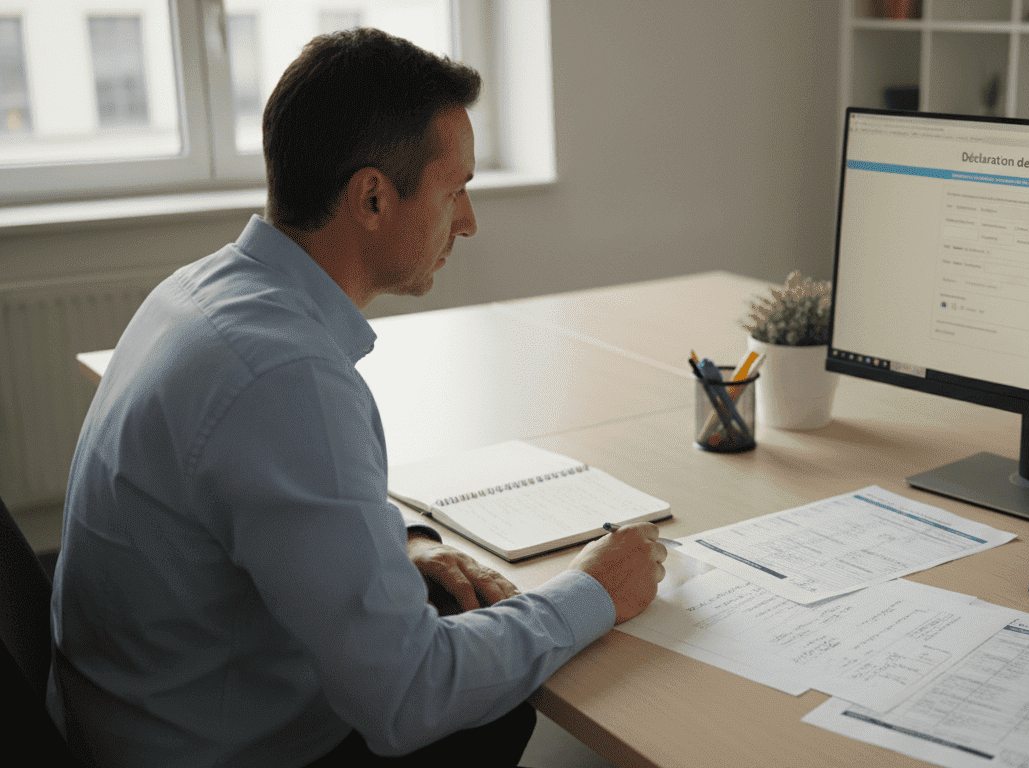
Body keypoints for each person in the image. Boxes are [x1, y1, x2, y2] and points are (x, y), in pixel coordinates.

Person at [47, 28, 667, 768]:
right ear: (372, 197)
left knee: (467, 626)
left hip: (133, 711)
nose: (467, 221)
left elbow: (268, 492)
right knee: (496, 710)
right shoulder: (285, 377)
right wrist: (595, 589)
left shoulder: (203, 290)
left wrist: (399, 542)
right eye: (455, 190)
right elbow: (411, 699)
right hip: (210, 749)